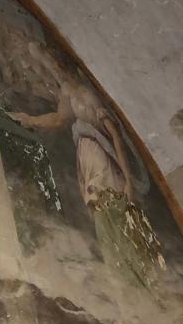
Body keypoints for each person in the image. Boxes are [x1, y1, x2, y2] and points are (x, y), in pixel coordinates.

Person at [8, 45, 164, 290]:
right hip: (89, 165)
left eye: (49, 64)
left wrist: (128, 182)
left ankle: (139, 284)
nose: (49, 72)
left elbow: (116, 136)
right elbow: (59, 119)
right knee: (104, 225)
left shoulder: (87, 94)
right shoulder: (68, 92)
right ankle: (126, 288)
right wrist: (30, 120)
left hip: (105, 166)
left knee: (116, 221)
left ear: (60, 65)